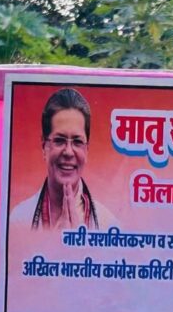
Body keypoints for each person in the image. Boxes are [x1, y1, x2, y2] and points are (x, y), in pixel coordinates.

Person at [10, 88, 116, 230]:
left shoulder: (108, 225)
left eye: (77, 142)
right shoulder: (18, 221)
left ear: (87, 150)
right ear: (44, 147)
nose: (68, 152)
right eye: (59, 140)